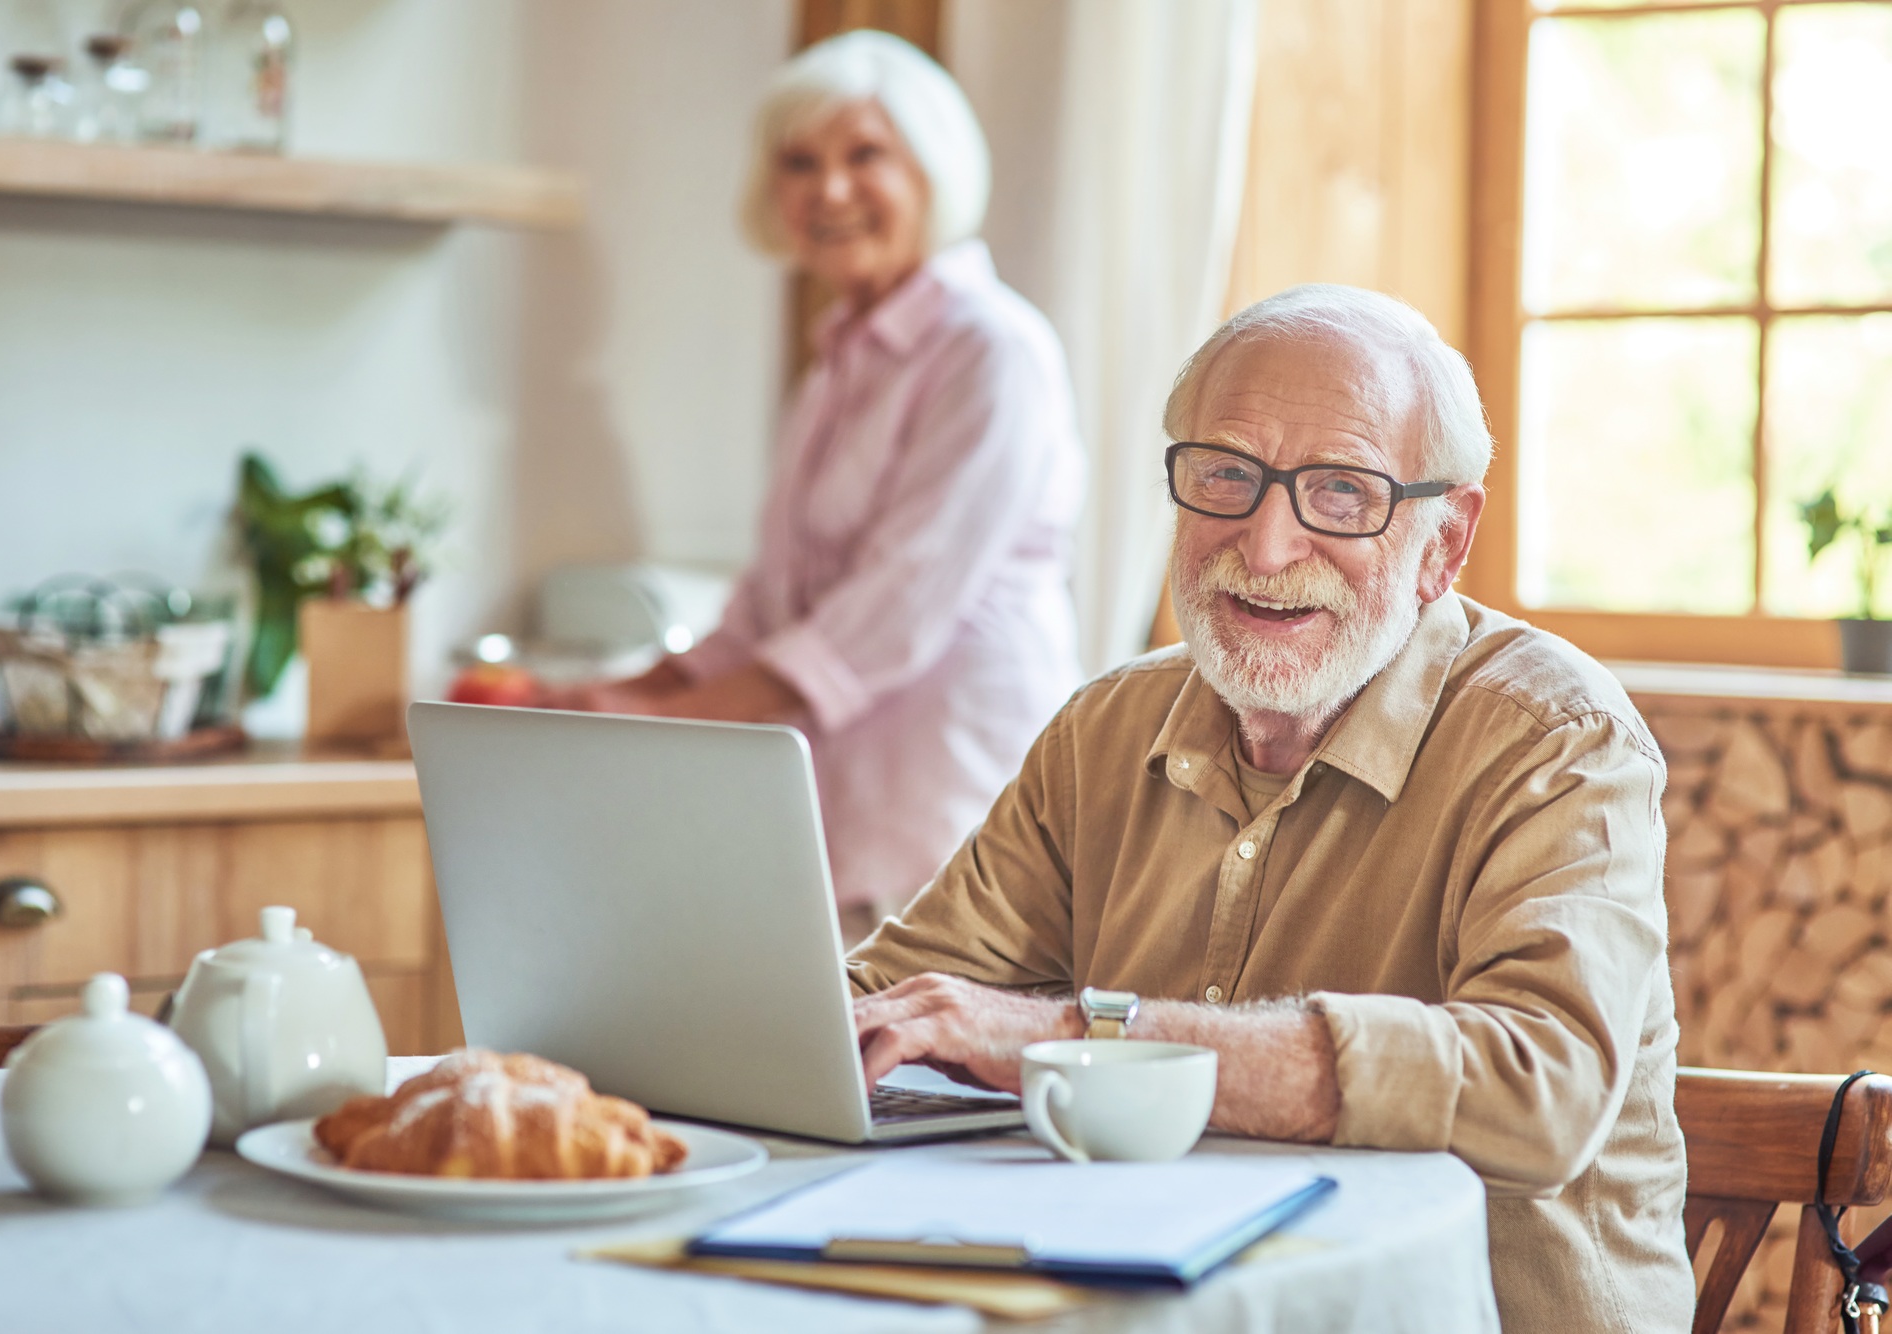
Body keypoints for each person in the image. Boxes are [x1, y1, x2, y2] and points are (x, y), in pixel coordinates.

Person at [845, 285, 1694, 1333]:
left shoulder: (1557, 739)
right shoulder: (1102, 730)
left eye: (1341, 493)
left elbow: (1537, 1084)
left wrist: (1074, 1037)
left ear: (1443, 540)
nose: (1266, 541)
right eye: (1225, 476)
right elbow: (889, 997)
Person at [546, 31, 1084, 943]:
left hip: (956, 807)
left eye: (864, 154)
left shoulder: (992, 349)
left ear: (932, 167)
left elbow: (890, 612)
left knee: (930, 1082)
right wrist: (634, 688)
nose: (829, 190)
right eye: (800, 162)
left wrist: (665, 720)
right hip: (840, 814)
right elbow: (772, 600)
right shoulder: (835, 367)